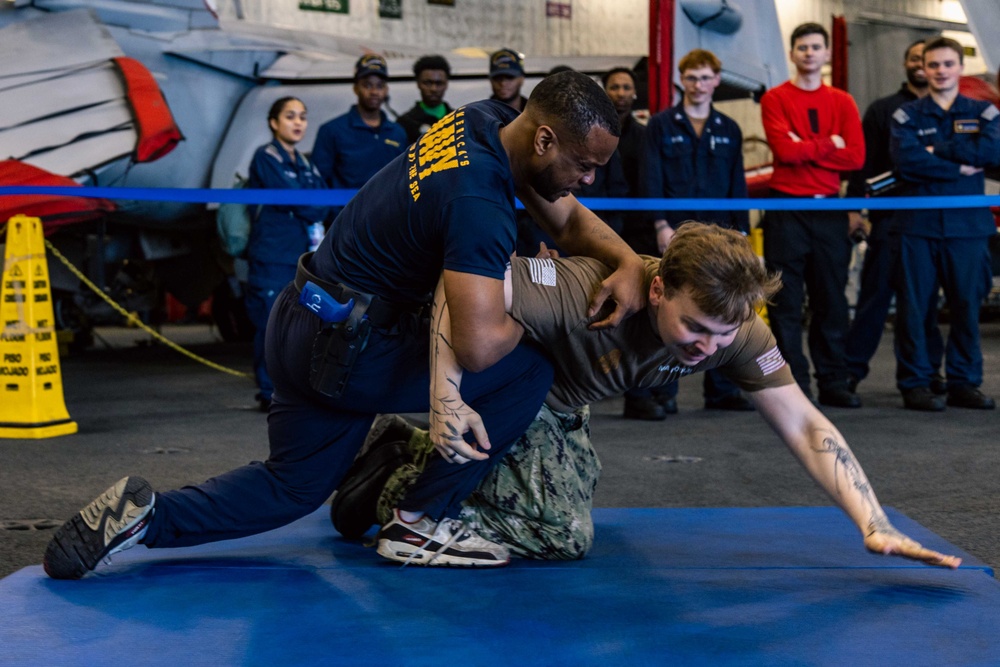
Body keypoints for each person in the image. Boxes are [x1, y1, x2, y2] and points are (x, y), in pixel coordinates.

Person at [42, 71, 647, 578]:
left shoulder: (482, 120)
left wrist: (626, 262)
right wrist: (546, 312)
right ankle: (419, 521)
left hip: (302, 320)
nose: (589, 179)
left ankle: (145, 514)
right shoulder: (480, 203)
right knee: (528, 369)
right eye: (583, 164)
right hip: (356, 348)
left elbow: (564, 214)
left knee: (291, 487)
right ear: (544, 139)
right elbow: (479, 345)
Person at [335, 223, 960, 570]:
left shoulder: (734, 327)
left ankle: (408, 448)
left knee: (568, 491)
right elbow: (468, 281)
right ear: (658, 290)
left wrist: (873, 522)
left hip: (568, 409)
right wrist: (446, 395)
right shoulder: (583, 288)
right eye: (694, 328)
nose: (707, 350)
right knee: (559, 532)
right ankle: (397, 482)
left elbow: (803, 421)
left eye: (723, 336)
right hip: (512, 389)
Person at [638, 48, 753, 417]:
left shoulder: (729, 129)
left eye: (705, 78)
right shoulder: (660, 125)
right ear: (681, 80)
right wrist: (660, 223)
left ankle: (721, 390)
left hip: (720, 234)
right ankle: (663, 391)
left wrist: (742, 234)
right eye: (691, 78)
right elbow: (651, 177)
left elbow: (737, 184)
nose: (698, 85)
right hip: (674, 232)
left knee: (720, 310)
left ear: (716, 81)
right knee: (670, 309)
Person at [890, 36, 1000, 411]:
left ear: (960, 68)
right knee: (915, 310)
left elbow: (992, 151)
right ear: (923, 69)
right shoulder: (906, 115)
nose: (940, 71)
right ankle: (916, 383)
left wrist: (937, 150)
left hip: (967, 229)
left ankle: (964, 383)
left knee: (967, 307)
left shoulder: (984, 113)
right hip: (917, 227)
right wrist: (961, 165)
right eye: (933, 65)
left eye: (948, 64)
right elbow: (907, 162)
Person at [760, 22, 865, 408]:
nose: (809, 53)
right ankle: (793, 386)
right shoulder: (775, 99)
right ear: (792, 54)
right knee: (785, 303)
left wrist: (805, 147)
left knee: (831, 301)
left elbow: (855, 157)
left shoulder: (843, 101)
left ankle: (834, 381)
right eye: (802, 47)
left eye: (816, 47)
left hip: (828, 211)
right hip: (786, 210)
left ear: (826, 54)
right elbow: (784, 153)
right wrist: (830, 144)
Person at [844, 40, 945, 397]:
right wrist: (853, 209)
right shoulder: (882, 109)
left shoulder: (945, 112)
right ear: (906, 63)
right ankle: (849, 372)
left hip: (931, 223)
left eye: (926, 60)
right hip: (889, 221)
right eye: (915, 58)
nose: (920, 65)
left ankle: (927, 372)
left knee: (924, 302)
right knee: (874, 298)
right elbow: (864, 165)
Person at [244, 97, 328, 412]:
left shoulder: (305, 162)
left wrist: (310, 206)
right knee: (270, 325)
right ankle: (269, 392)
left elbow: (321, 203)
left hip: (301, 258)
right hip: (272, 256)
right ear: (273, 122)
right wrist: (310, 206)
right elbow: (304, 202)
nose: (298, 123)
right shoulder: (266, 157)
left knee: (299, 327)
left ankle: (295, 390)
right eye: (290, 116)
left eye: (302, 117)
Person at [310, 55, 407, 190]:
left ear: (386, 90)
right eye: (367, 85)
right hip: (345, 204)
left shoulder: (398, 132)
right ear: (356, 88)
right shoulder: (331, 131)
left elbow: (404, 180)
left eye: (379, 86)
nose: (374, 92)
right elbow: (317, 182)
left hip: (389, 204)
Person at [396, 54, 454, 145]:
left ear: (446, 84)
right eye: (428, 83)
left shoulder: (458, 121)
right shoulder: (405, 123)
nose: (433, 89)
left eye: (439, 83)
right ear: (418, 83)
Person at [489, 48, 528, 112]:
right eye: (498, 78)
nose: (503, 83)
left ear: (521, 79)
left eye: (510, 77)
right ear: (491, 80)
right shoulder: (479, 115)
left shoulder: (538, 114)